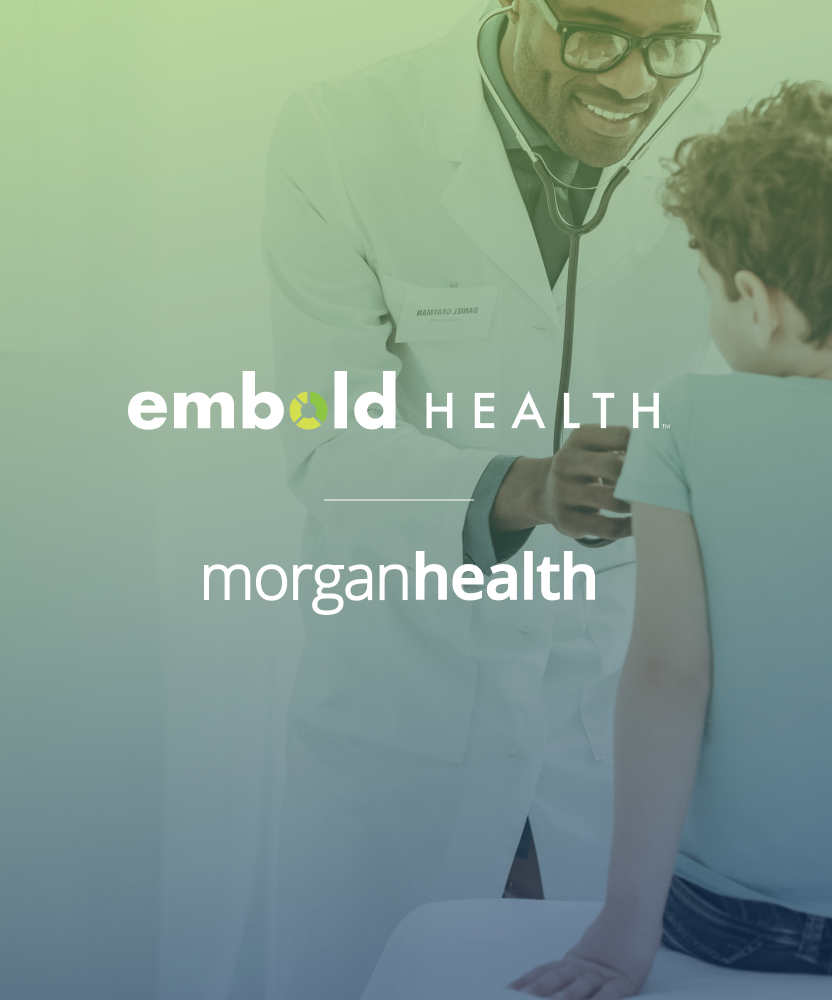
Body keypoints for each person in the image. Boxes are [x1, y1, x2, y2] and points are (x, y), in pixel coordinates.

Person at [262, 1, 721, 996]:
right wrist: (529, 486)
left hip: (610, 713)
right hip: (405, 705)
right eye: (595, 33)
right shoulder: (344, 136)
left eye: (672, 41)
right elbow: (322, 437)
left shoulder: (719, 156)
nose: (634, 80)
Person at [510, 81, 832, 999]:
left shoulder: (684, 422)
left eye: (707, 289)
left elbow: (668, 676)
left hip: (727, 922)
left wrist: (621, 931)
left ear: (757, 302)